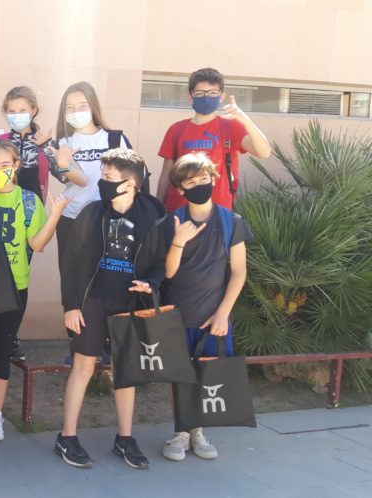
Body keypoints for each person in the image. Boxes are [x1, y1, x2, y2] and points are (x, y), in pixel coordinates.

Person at [56, 149, 166, 470]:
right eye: (102, 176)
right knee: (83, 366)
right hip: (92, 301)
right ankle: (67, 437)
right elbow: (70, 263)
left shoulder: (151, 218)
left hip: (127, 304)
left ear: (130, 183)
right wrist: (70, 306)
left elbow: (159, 262)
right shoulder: (92, 214)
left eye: (108, 178)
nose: (102, 182)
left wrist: (151, 284)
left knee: (125, 370)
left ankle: (125, 438)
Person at [0, 140, 67, 442]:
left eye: (5, 166)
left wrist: (56, 214)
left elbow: (37, 244)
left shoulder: (30, 201)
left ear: (16, 165)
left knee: (3, 350)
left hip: (16, 286)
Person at [160, 153, 253, 462]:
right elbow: (167, 272)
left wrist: (223, 312)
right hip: (176, 314)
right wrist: (179, 241)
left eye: (203, 178)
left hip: (213, 316)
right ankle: (181, 430)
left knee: (206, 375)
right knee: (178, 376)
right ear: (180, 189)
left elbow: (239, 271)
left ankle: (198, 430)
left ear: (214, 179)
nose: (199, 185)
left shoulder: (231, 221)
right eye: (190, 182)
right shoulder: (172, 221)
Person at [50, 81, 133, 367]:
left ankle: (109, 343)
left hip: (110, 220)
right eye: (70, 107)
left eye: (82, 105)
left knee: (109, 276)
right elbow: (72, 179)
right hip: (72, 218)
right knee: (73, 277)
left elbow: (133, 177)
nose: (76, 111)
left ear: (93, 106)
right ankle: (78, 343)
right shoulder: (61, 143)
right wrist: (61, 161)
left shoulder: (115, 139)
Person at [156, 67, 272, 211]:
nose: (206, 97)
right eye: (199, 93)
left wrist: (245, 120)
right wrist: (158, 207)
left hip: (218, 211)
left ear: (221, 96)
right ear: (190, 97)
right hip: (179, 210)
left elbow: (264, 152)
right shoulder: (176, 129)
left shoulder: (230, 126)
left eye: (212, 93)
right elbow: (166, 174)